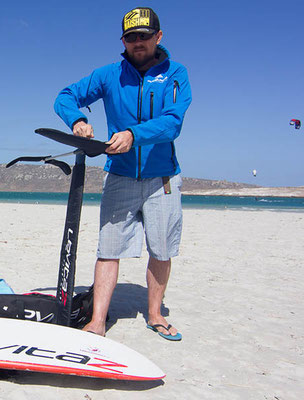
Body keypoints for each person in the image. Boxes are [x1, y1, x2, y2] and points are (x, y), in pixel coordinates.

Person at [54, 7, 192, 340]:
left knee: (161, 249)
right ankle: (98, 320)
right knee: (109, 248)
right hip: (119, 175)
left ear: (158, 37)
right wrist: (76, 121)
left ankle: (155, 314)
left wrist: (133, 134)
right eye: (131, 38)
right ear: (124, 41)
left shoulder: (176, 74)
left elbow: (173, 123)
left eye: (144, 36)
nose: (138, 43)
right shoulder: (109, 75)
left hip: (163, 179)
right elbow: (65, 96)